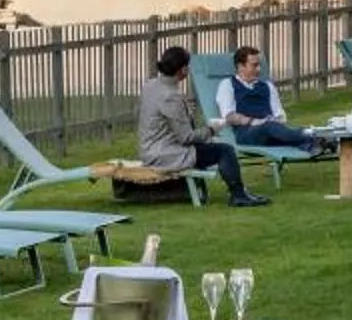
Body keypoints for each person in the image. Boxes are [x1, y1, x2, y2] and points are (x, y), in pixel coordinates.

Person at [137, 46, 268, 207]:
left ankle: (240, 193)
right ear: (183, 70)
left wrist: (186, 112)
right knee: (224, 150)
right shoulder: (171, 96)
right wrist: (212, 129)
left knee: (212, 146)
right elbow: (186, 137)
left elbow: (162, 121)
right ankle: (238, 195)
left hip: (149, 150)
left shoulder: (150, 85)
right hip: (165, 154)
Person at [214, 46, 324, 155]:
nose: (259, 69)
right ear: (240, 66)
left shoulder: (268, 86)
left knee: (274, 129)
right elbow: (229, 116)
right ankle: (315, 135)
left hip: (272, 131)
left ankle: (312, 145)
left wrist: (276, 121)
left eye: (259, 65)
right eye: (254, 65)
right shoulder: (228, 85)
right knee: (269, 127)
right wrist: (253, 121)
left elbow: (279, 115)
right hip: (246, 133)